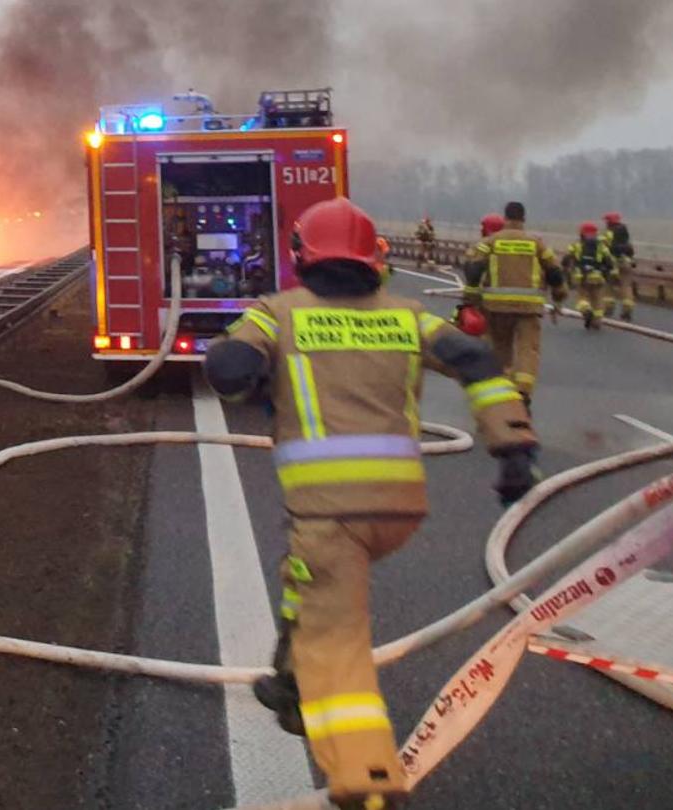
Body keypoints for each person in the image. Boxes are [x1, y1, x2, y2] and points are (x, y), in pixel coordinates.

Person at [206, 198, 539, 810]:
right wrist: (512, 444)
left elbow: (229, 370)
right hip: (399, 507)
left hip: (331, 510)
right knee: (302, 582)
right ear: (372, 258)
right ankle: (288, 681)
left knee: (337, 646)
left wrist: (241, 364)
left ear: (302, 256)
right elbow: (476, 361)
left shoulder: (278, 314)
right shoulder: (409, 316)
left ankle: (367, 779)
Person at [462, 201, 563, 403]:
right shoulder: (536, 243)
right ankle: (523, 391)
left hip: (495, 306)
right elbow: (554, 271)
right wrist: (559, 297)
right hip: (529, 307)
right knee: (528, 348)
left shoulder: (490, 242)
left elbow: (473, 271)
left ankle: (503, 388)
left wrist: (470, 301)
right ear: (524, 219)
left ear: (506, 219)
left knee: (500, 348)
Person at [564, 222, 618, 330]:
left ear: (582, 233)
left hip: (582, 277)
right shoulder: (601, 246)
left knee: (582, 297)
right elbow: (610, 262)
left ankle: (586, 311)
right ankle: (597, 322)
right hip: (598, 277)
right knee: (597, 300)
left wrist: (567, 271)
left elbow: (566, 259)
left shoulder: (576, 245)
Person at [604, 211, 635, 321]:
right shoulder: (625, 234)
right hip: (625, 263)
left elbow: (603, 249)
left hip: (612, 265)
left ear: (609, 222)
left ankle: (608, 309)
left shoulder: (608, 234)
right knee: (626, 287)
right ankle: (627, 310)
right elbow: (631, 251)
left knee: (609, 287)